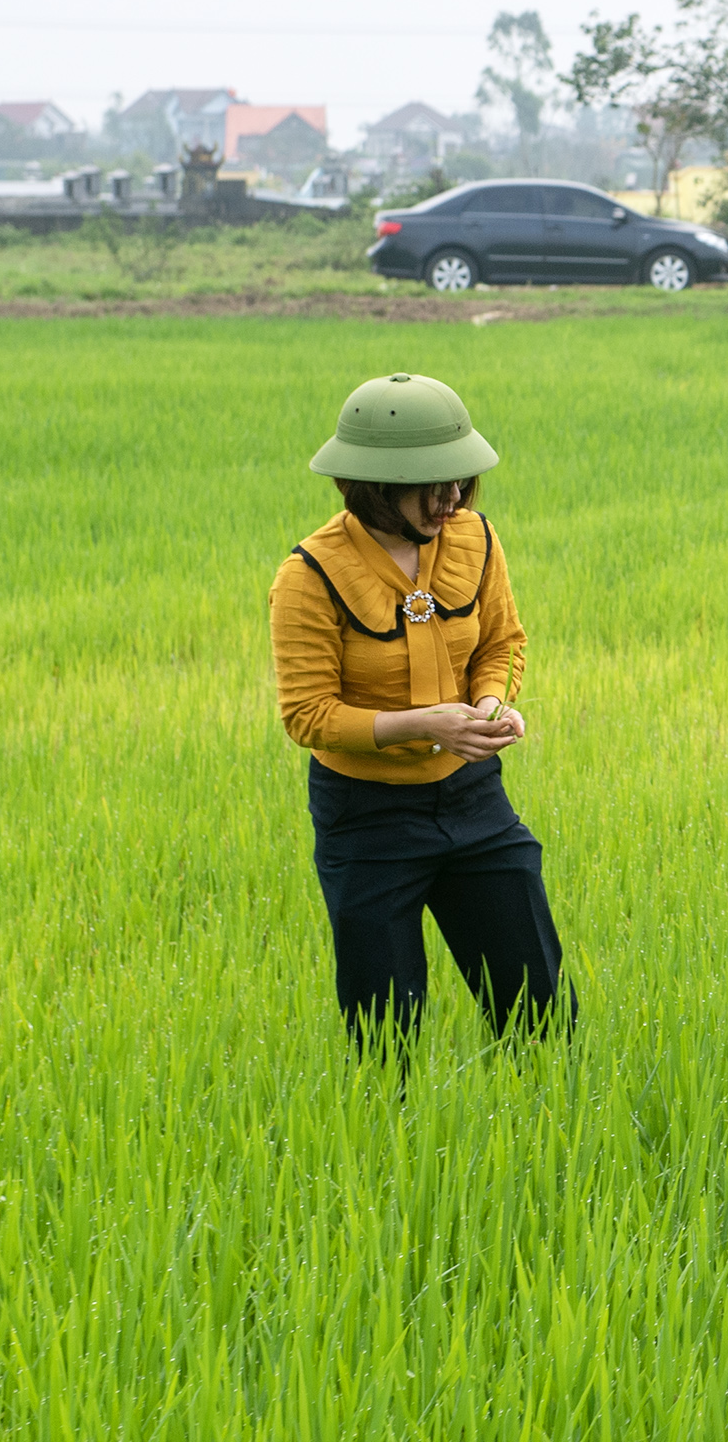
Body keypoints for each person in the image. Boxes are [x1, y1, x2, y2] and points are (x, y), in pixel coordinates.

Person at [269, 372, 565, 1045]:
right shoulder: (310, 575)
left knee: (540, 1014)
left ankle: (545, 1127)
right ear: (373, 484)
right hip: (365, 818)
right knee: (384, 1034)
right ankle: (384, 1145)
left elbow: (504, 643)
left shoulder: (476, 539)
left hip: (473, 801)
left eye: (459, 478)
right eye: (431, 483)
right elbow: (307, 715)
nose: (452, 496)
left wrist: (491, 704)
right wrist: (424, 724)